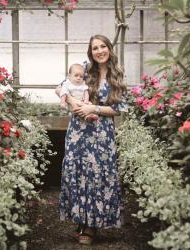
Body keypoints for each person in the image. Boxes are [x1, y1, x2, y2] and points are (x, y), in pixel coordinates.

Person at [57, 34, 128, 245]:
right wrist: (73, 102)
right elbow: (60, 87)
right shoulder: (85, 70)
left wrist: (93, 107)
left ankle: (91, 225)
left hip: (101, 134)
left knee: (98, 175)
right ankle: (81, 219)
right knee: (77, 172)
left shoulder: (117, 74)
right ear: (91, 52)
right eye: (95, 48)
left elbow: (119, 108)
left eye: (103, 46)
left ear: (109, 48)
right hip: (78, 131)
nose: (99, 51)